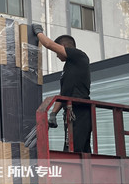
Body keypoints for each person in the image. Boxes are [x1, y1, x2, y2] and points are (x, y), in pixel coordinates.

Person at [32, 25, 92, 153]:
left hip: (80, 111)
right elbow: (63, 93)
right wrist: (53, 113)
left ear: (63, 47)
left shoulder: (79, 56)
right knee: (72, 148)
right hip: (70, 112)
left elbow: (48, 44)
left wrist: (38, 32)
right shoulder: (69, 67)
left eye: (57, 52)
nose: (57, 56)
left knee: (76, 150)